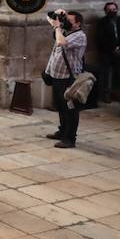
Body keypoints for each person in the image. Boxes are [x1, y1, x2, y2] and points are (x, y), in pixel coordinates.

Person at [44, 9, 87, 148]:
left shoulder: (80, 36)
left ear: (78, 23)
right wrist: (57, 13)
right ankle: (62, 131)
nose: (66, 22)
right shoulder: (65, 31)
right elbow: (48, 17)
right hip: (57, 76)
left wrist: (57, 27)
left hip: (69, 78)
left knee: (70, 108)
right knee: (60, 106)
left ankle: (70, 138)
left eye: (69, 20)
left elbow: (61, 43)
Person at [95, 1, 120, 103]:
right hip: (107, 51)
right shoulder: (102, 22)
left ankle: (118, 94)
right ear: (106, 11)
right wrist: (112, 48)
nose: (112, 11)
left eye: (114, 9)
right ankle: (106, 94)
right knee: (107, 74)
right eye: (109, 10)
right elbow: (100, 38)